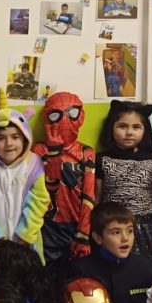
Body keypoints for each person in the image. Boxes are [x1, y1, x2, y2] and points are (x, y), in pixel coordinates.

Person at [96, 100, 152, 292]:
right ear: (112, 128)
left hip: (145, 229)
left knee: (143, 279)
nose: (129, 132)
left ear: (145, 131)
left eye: (136, 127)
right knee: (115, 279)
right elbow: (97, 198)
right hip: (112, 229)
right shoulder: (103, 159)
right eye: (122, 126)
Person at [0, 89, 51, 261]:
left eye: (15, 137)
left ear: (24, 139)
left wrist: (24, 236)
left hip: (26, 244)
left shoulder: (33, 163)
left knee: (26, 275)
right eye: (1, 138)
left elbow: (39, 201)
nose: (9, 144)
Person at [66, 202, 152, 303]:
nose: (125, 238)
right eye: (116, 232)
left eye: (130, 231)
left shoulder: (146, 269)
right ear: (98, 238)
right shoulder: (80, 271)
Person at [32, 91, 97, 266]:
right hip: (48, 225)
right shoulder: (40, 151)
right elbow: (45, 189)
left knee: (76, 271)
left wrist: (83, 233)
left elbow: (89, 195)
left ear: (80, 115)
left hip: (76, 223)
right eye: (56, 115)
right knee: (48, 272)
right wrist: (54, 153)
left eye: (72, 113)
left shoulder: (86, 152)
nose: (65, 120)